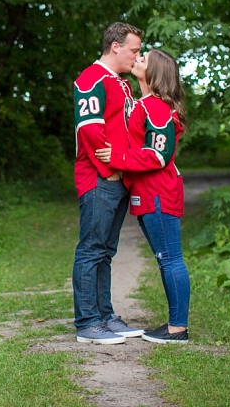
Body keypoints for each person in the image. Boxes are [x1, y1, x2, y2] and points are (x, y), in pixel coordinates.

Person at [96, 48, 190, 344]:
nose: (137, 60)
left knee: (170, 259)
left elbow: (157, 155)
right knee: (165, 259)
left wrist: (117, 157)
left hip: (159, 192)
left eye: (143, 59)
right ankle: (176, 326)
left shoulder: (156, 107)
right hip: (149, 193)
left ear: (155, 73)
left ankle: (178, 329)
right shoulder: (145, 103)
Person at [72, 22, 146, 345]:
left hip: (119, 178)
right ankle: (87, 323)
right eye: (134, 50)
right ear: (115, 46)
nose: (137, 56)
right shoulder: (91, 79)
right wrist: (111, 167)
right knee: (91, 249)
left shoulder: (123, 85)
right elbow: (90, 130)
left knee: (106, 251)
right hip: (99, 178)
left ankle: (104, 316)